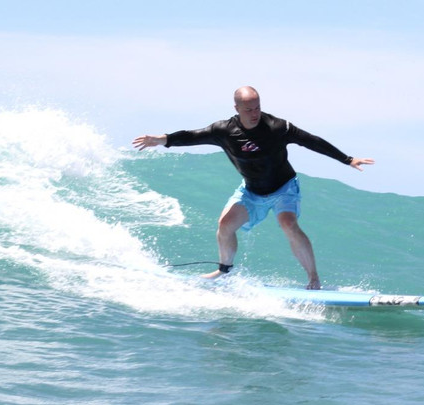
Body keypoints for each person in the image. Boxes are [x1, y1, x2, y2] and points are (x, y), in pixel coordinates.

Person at [133, 86, 374, 290]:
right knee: (225, 225)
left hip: (284, 188)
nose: (255, 113)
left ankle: (313, 279)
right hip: (251, 191)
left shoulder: (278, 127)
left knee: (288, 224)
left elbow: (312, 141)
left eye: (257, 107)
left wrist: (347, 159)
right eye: (248, 109)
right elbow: (192, 136)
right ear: (236, 109)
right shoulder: (224, 131)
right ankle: (224, 271)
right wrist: (162, 139)